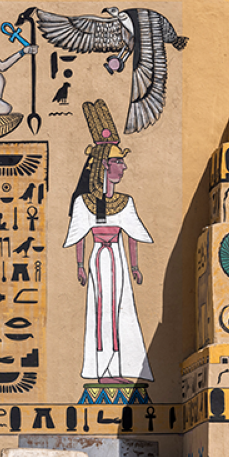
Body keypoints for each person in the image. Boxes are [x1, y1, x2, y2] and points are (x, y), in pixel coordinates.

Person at [63, 100, 153, 384]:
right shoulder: (84, 202)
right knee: (100, 310)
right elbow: (79, 234)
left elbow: (132, 236)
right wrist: (79, 264)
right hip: (98, 262)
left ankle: (119, 368)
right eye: (118, 161)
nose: (123, 167)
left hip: (118, 261)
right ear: (104, 165)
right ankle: (102, 371)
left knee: (120, 309)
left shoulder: (126, 202)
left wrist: (135, 266)